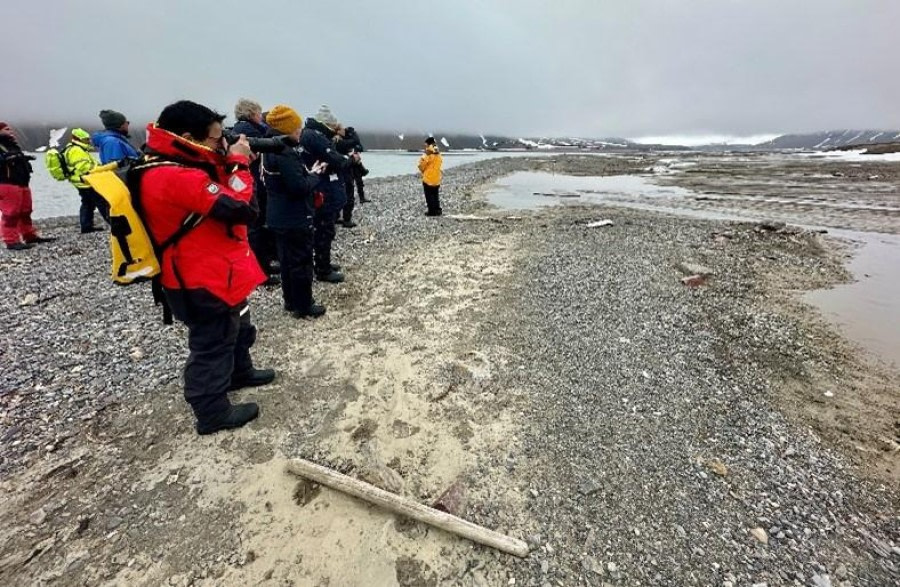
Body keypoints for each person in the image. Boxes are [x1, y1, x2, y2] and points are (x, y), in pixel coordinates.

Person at [137, 100, 274, 435]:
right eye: (215, 140)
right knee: (211, 343)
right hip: (198, 278)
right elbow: (241, 208)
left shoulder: (179, 166)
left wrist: (225, 162)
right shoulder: (173, 175)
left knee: (238, 324)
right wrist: (240, 164)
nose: (221, 144)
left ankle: (240, 371)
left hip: (219, 269)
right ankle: (211, 412)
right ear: (188, 137)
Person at [260, 105, 327, 319]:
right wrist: (315, 175)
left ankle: (291, 300)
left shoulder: (268, 148)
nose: (300, 132)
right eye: (297, 129)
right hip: (294, 216)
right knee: (301, 261)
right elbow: (298, 187)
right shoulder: (285, 152)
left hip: (277, 215)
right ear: (286, 130)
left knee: (286, 260)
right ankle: (303, 305)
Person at [299, 105, 356, 282]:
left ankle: (323, 263)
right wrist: (350, 160)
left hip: (322, 187)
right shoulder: (316, 137)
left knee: (324, 229)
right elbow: (334, 159)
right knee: (324, 229)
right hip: (324, 190)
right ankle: (322, 269)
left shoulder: (310, 135)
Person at [232, 98, 279, 283]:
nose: (262, 117)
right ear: (252, 114)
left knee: (257, 226)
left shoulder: (241, 129)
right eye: (259, 114)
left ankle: (264, 263)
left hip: (251, 182)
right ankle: (261, 270)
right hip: (252, 183)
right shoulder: (250, 132)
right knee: (256, 228)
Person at [0, 122, 54, 250]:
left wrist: (23, 158)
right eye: (7, 129)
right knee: (11, 213)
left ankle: (29, 235)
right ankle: (11, 241)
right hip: (7, 183)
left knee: (25, 211)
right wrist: (10, 157)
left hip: (21, 183)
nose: (11, 131)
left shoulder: (10, 144)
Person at [63, 128, 112, 233]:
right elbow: (84, 167)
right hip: (86, 181)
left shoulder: (74, 149)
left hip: (80, 181)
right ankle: (112, 222)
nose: (88, 142)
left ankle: (86, 226)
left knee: (87, 203)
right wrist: (100, 169)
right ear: (79, 139)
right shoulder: (77, 151)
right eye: (86, 140)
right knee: (101, 202)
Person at [335, 125, 367, 226]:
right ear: (338, 131)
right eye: (342, 129)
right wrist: (353, 132)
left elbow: (358, 146)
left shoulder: (335, 141)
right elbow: (355, 141)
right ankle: (346, 219)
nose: (345, 130)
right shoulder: (340, 142)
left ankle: (336, 217)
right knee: (348, 194)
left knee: (339, 194)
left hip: (340, 171)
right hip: (345, 171)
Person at [418, 137, 443, 216]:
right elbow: (440, 162)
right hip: (436, 177)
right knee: (435, 195)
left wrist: (423, 171)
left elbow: (421, 165)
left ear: (428, 144)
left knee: (429, 196)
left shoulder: (427, 153)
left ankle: (431, 211)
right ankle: (437, 210)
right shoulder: (438, 153)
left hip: (428, 178)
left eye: (426, 144)